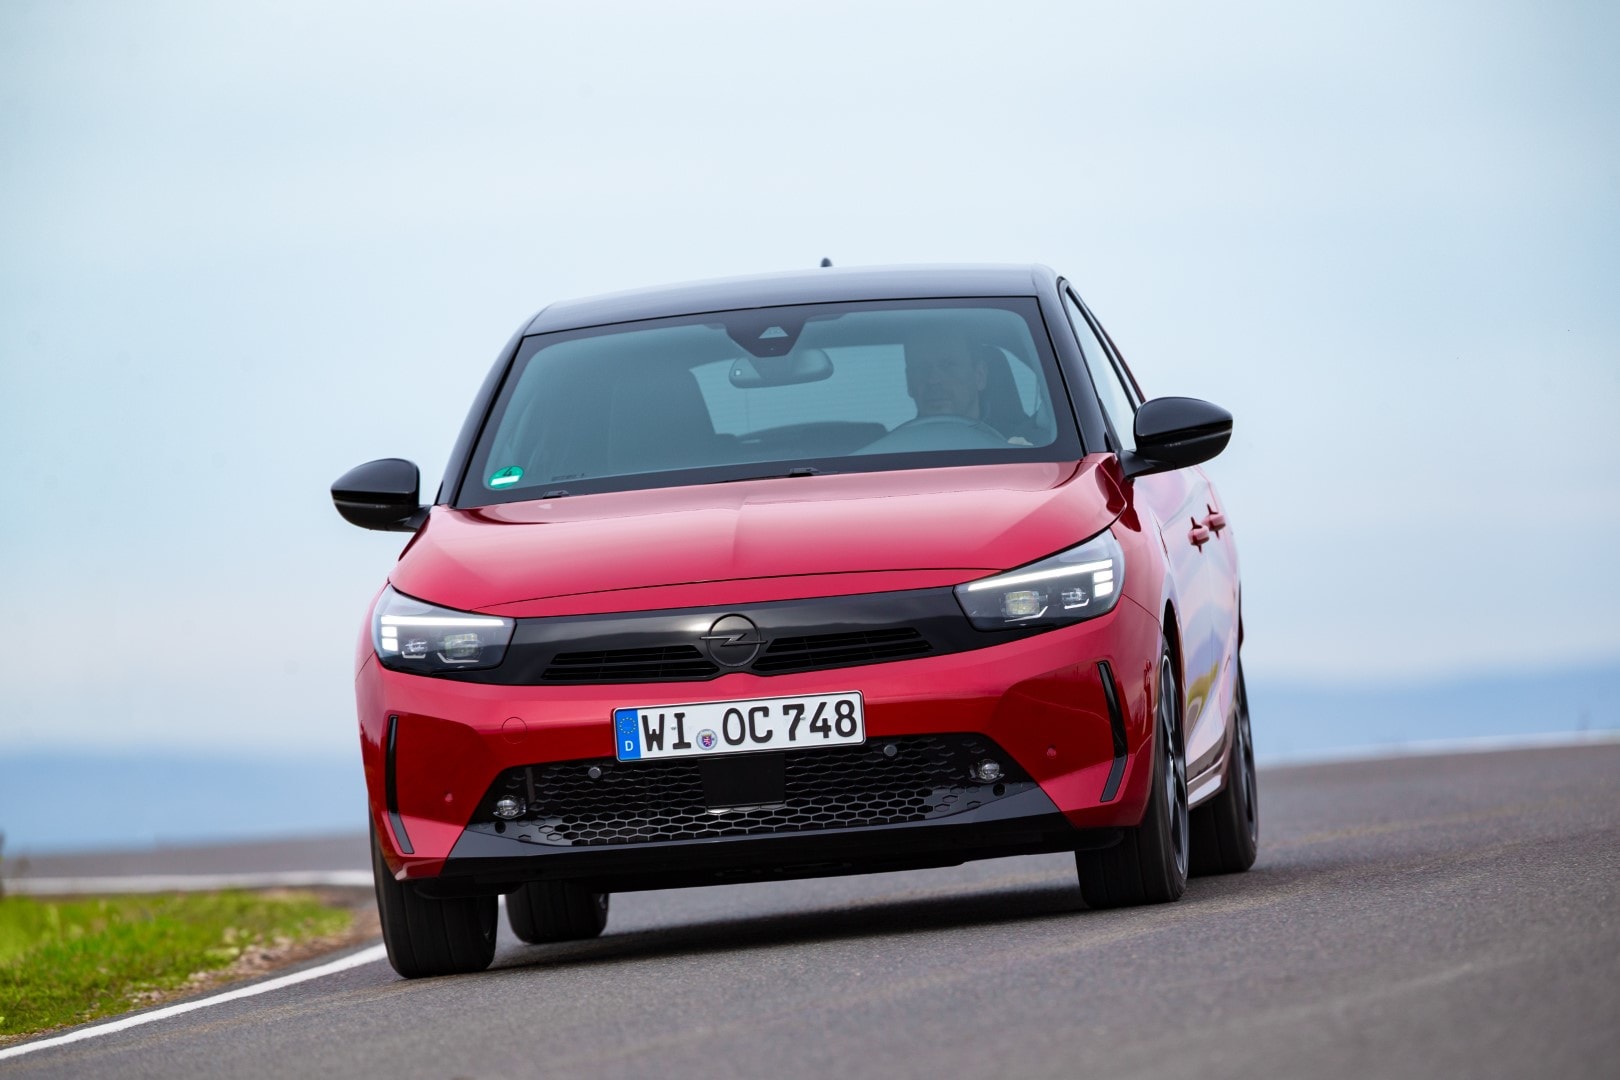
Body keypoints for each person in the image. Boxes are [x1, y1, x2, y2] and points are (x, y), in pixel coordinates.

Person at [903, 324, 990, 421]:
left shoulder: (1007, 435)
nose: (933, 380)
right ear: (909, 382)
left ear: (979, 376)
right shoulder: (897, 437)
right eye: (921, 368)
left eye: (947, 365)